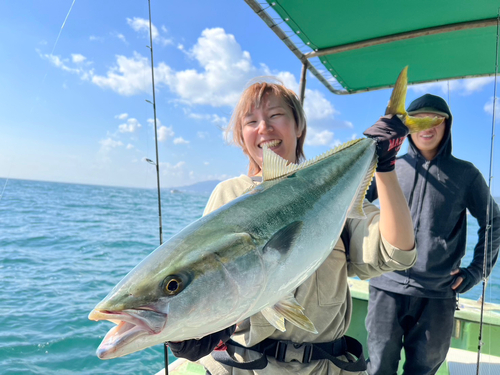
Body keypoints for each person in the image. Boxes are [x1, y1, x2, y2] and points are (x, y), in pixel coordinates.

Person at [168, 79, 417, 375]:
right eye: (251, 121)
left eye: (275, 115)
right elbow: (208, 278)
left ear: (299, 126)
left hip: (326, 368)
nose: (264, 128)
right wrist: (192, 331)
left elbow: (397, 251)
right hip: (245, 367)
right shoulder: (228, 195)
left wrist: (384, 165)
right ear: (241, 136)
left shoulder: (333, 191)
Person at [365, 93, 500, 375]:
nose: (427, 125)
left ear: (447, 125)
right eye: (418, 118)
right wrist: (371, 151)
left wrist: (477, 271)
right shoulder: (388, 167)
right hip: (384, 287)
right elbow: (353, 202)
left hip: (438, 295)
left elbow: (493, 222)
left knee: (423, 370)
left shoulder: (466, 174)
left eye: (436, 119)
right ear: (407, 125)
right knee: (378, 368)